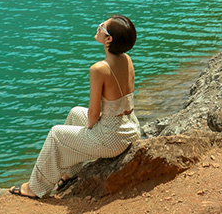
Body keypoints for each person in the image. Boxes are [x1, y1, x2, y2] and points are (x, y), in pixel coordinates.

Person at [9, 15, 140, 199]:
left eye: (102, 26)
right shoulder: (127, 59)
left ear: (108, 39)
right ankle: (70, 173)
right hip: (130, 128)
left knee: (56, 133)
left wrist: (88, 132)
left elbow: (94, 113)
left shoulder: (99, 69)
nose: (99, 26)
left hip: (112, 139)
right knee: (75, 113)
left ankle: (35, 189)